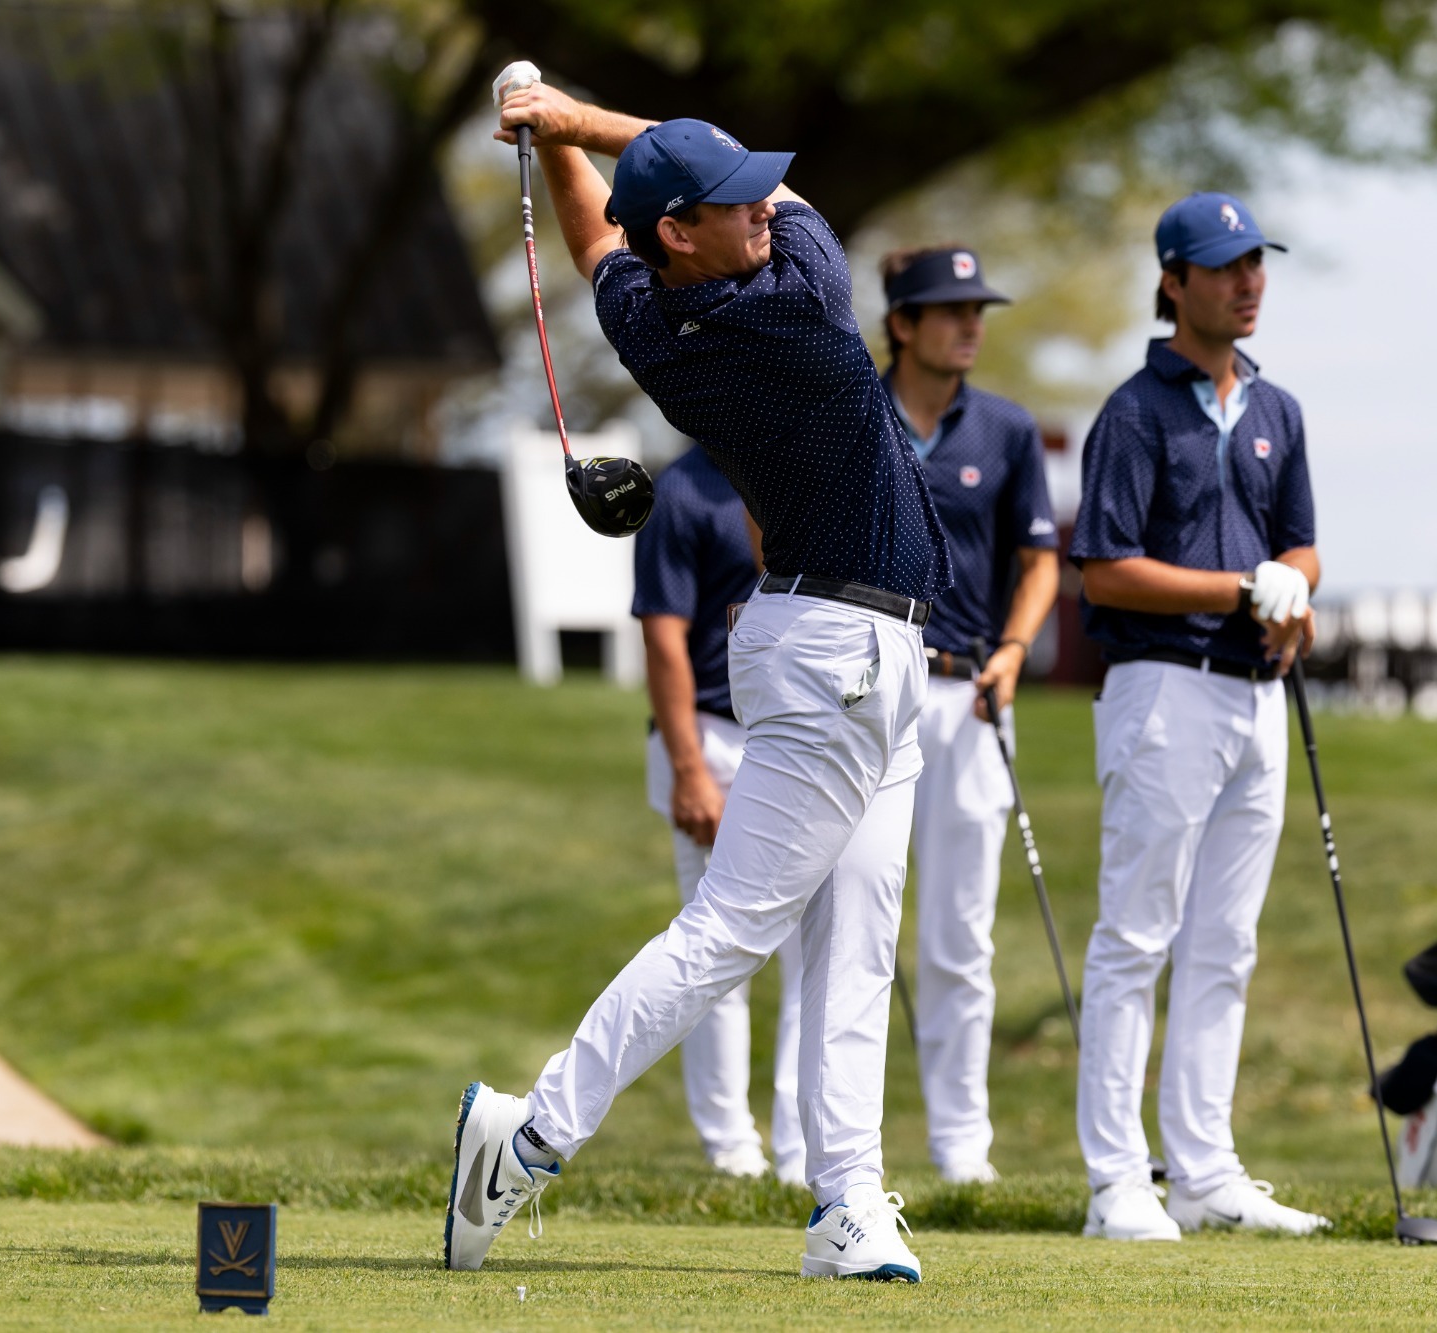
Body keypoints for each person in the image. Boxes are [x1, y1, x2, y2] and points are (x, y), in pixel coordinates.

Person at [446, 81, 952, 1282]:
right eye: (731, 202)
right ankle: (527, 1136)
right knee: (732, 928)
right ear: (681, 231)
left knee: (857, 944)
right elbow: (696, 204)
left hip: (861, 653)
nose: (760, 209)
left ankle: (847, 1206)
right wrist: (570, 115)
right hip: (835, 652)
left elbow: (591, 242)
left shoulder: (649, 313)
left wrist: (555, 138)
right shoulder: (800, 301)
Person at [1066, 192, 1327, 1241]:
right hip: (1162, 691)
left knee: (1225, 943)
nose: (1247, 281)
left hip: (1254, 702)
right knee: (1135, 936)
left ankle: (1206, 1169)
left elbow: (1300, 541)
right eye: (1223, 267)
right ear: (1173, 281)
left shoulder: (1276, 410)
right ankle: (1114, 1180)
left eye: (1255, 263)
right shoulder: (1132, 412)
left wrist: (1289, 588)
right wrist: (1237, 589)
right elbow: (1105, 572)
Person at [876, 247, 1060, 1182]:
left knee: (960, 936)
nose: (971, 324)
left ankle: (961, 1151)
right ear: (902, 323)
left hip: (971, 690)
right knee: (847, 929)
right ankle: (822, 1151)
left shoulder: (1007, 428)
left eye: (978, 308)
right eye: (950, 310)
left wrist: (1016, 650)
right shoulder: (851, 410)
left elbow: (1039, 562)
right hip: (866, 688)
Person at [633, 443, 804, 1187]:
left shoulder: (793, 466)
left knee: (810, 952)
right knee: (718, 957)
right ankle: (731, 1147)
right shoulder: (680, 490)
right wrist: (689, 769)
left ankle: (802, 1151)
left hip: (794, 732)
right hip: (710, 735)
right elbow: (662, 634)